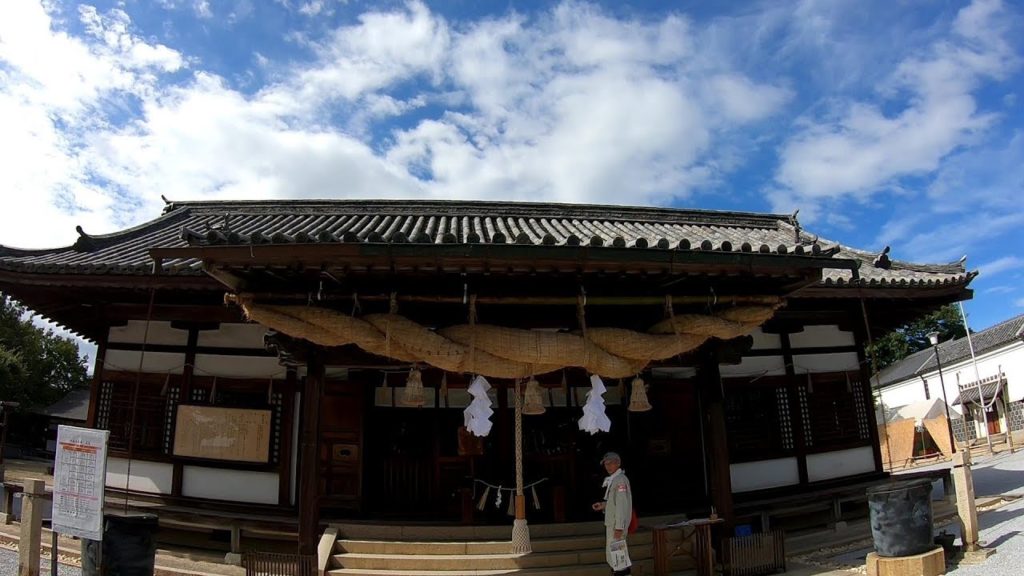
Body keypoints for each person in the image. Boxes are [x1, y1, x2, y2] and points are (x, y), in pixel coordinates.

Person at [592, 451, 632, 575]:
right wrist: (604, 505)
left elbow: (621, 505)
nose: (608, 466)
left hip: (616, 525)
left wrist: (619, 527)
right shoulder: (614, 479)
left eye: (611, 463)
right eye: (606, 464)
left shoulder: (620, 481)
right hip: (613, 524)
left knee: (618, 558)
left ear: (618, 463)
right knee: (615, 557)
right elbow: (615, 502)